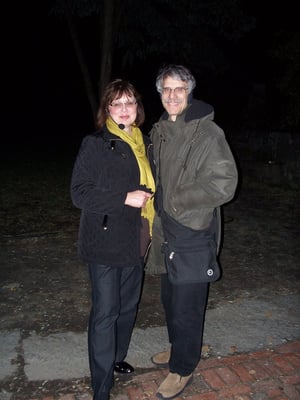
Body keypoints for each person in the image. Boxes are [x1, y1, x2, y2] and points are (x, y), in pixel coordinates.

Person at [147, 64, 238, 399]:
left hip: (193, 229)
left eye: (179, 89)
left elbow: (224, 184)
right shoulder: (160, 129)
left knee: (187, 303)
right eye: (166, 89)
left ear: (189, 93)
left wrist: (178, 200)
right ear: (160, 93)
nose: (172, 95)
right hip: (168, 227)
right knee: (171, 298)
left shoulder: (207, 134)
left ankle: (183, 367)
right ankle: (178, 348)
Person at [71, 79, 155, 400]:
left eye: (129, 102)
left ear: (137, 108)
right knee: (106, 311)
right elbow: (79, 192)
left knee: (128, 305)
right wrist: (124, 197)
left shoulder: (144, 143)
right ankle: (102, 386)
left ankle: (117, 357)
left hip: (137, 237)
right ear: (107, 109)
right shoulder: (94, 143)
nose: (124, 109)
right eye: (117, 103)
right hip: (104, 240)